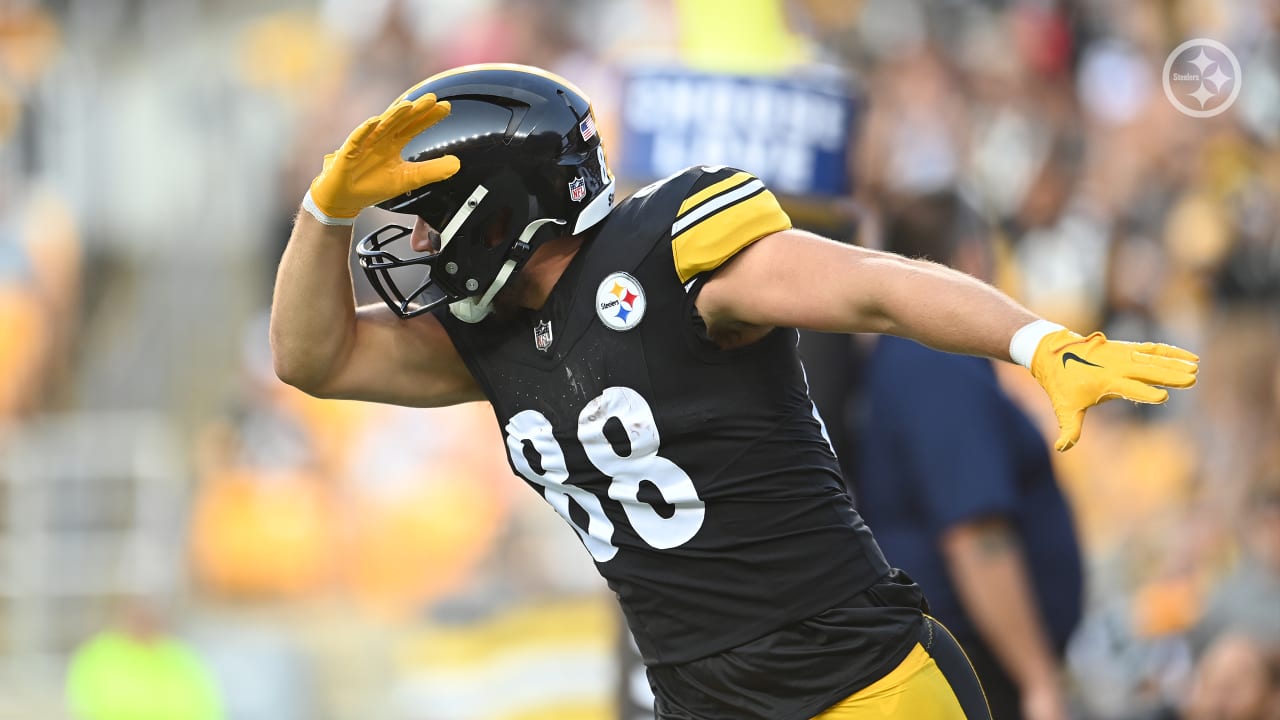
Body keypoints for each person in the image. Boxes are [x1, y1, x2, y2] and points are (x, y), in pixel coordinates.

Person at [269, 64, 1198, 719]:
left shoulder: (670, 255)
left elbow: (876, 283)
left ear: (500, 209)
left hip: (860, 688)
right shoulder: (486, 338)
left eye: (432, 222)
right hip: (703, 701)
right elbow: (311, 357)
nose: (420, 248)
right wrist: (323, 212)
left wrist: (1037, 344)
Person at [856, 193, 1083, 720]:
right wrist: (1038, 681)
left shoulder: (908, 356)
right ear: (972, 260)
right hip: (968, 668)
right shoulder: (936, 358)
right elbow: (976, 534)